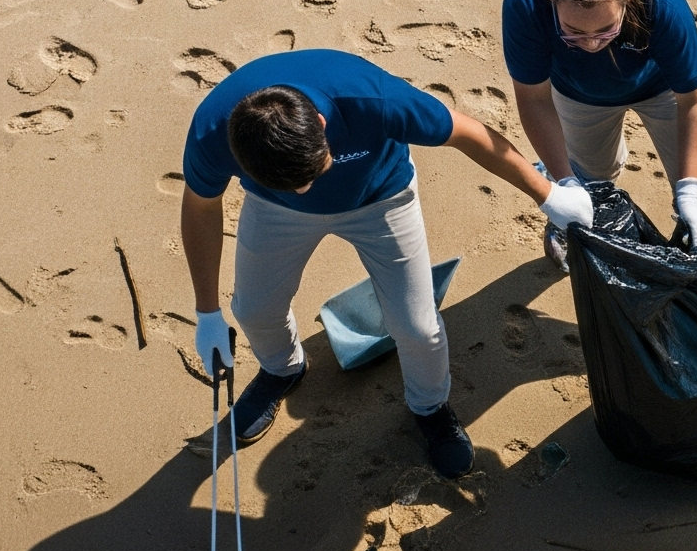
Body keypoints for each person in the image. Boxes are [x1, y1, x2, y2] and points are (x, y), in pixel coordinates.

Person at [181, 49, 552, 477]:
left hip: (382, 197)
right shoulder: (212, 130)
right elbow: (201, 207)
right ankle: (282, 368)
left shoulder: (373, 100)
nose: (306, 190)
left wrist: (548, 195)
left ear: (321, 125)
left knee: (417, 327)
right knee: (253, 309)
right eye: (295, 183)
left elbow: (469, 135)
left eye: (313, 174)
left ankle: (429, 407)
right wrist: (207, 311)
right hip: (274, 209)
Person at [501, 0, 697, 277]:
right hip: (578, 92)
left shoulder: (663, 2)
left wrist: (687, 189)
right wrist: (565, 185)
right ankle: (566, 218)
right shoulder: (524, 2)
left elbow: (696, 100)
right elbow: (534, 98)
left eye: (606, 30)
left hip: (660, 87)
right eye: (574, 32)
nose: (593, 44)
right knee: (591, 178)